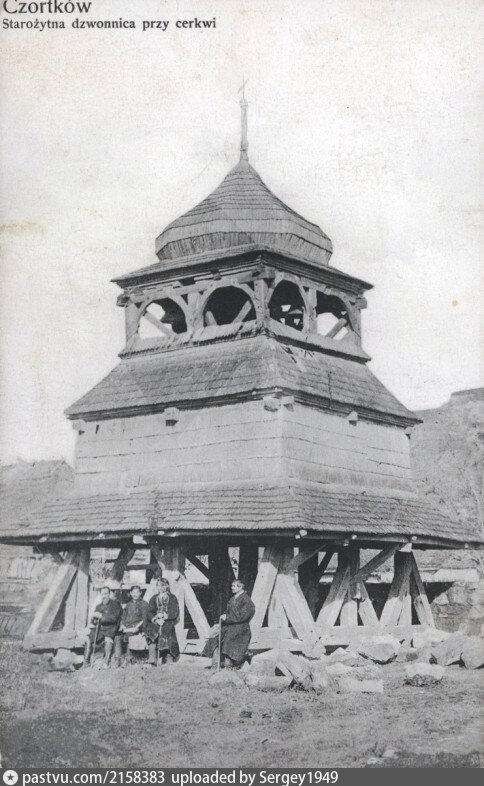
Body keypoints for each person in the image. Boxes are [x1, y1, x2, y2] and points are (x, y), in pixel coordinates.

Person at [203, 579, 255, 669]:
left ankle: (228, 665)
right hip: (230, 626)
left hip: (241, 628)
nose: (232, 588)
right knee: (214, 639)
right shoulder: (232, 599)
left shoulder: (246, 600)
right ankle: (215, 664)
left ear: (240, 587)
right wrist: (223, 617)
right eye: (232, 586)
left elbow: (243, 616)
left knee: (229, 640)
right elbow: (228, 612)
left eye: (234, 586)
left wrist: (227, 617)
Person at [84, 585, 122, 667]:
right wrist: (94, 619)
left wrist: (101, 616)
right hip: (100, 629)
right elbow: (95, 622)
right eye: (102, 594)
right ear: (100, 595)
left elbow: (114, 618)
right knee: (88, 638)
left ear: (109, 594)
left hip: (111, 628)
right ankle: (86, 662)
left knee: (108, 639)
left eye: (106, 594)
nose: (104, 596)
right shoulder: (98, 606)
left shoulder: (115, 604)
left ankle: (106, 662)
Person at [145, 578, 180, 665]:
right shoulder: (154, 598)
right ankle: (152, 657)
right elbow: (149, 612)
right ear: (157, 587)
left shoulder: (172, 598)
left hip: (168, 621)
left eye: (163, 585)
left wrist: (165, 616)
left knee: (167, 630)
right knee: (151, 629)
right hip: (156, 621)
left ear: (167, 586)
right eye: (159, 586)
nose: (161, 587)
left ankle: (168, 655)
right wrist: (156, 618)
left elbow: (175, 611)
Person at [114, 585, 148, 666]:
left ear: (140, 593)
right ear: (130, 593)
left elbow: (145, 619)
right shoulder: (128, 604)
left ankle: (128, 659)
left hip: (137, 628)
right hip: (127, 627)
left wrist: (140, 628)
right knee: (117, 636)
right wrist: (122, 625)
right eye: (133, 592)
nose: (135, 594)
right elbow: (123, 616)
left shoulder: (144, 604)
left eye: (137, 592)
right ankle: (117, 659)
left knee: (129, 636)